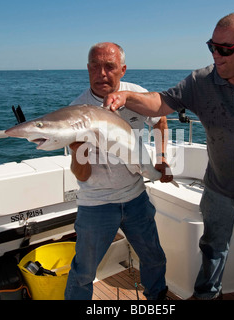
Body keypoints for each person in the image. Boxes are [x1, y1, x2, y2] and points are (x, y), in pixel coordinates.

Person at [105, 14, 234, 300]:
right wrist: (127, 96)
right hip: (217, 191)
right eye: (211, 46)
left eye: (224, 49)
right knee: (212, 252)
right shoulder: (200, 82)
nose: (216, 55)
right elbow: (160, 103)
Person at [64, 42, 171, 300]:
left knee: (154, 259)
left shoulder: (137, 95)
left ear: (122, 70)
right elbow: (82, 175)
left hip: (136, 197)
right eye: (95, 66)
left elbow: (161, 119)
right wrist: (80, 148)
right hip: (96, 203)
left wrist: (162, 157)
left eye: (109, 67)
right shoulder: (76, 113)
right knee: (83, 272)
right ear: (87, 69)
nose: (102, 73)